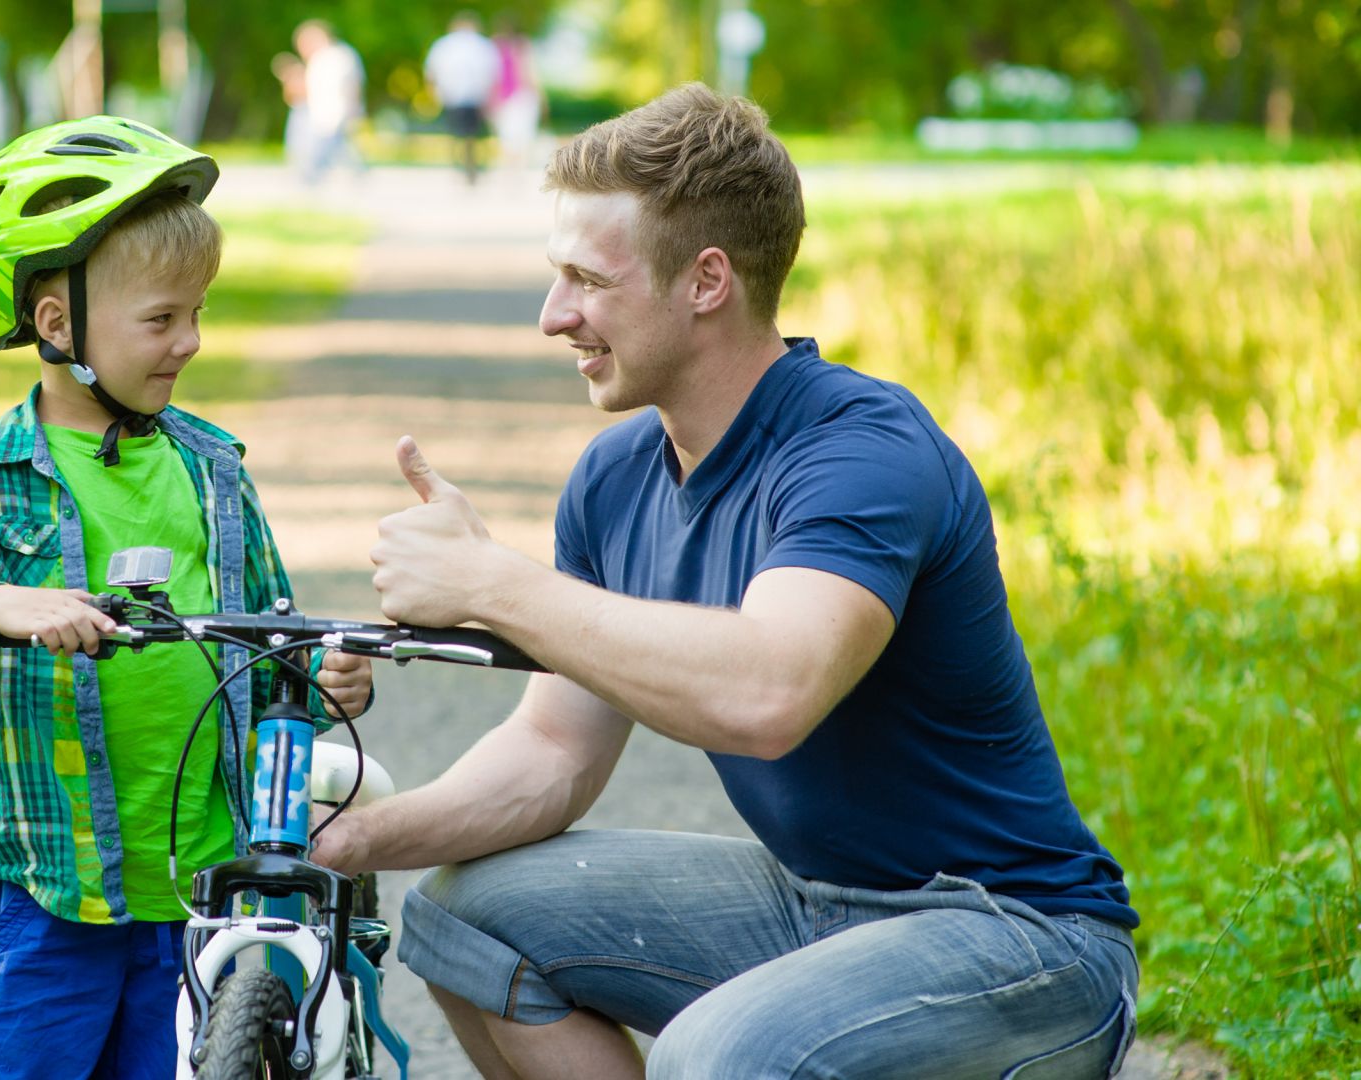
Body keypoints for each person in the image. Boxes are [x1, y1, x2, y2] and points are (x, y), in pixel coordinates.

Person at [315, 85, 1139, 1078]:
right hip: (814, 903)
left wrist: (495, 584)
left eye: (587, 280)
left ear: (707, 281)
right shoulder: (616, 481)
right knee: (466, 922)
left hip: (1019, 939)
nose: (552, 316)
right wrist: (355, 840)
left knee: (713, 1056)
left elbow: (768, 693)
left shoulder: (861, 451)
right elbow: (551, 751)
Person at [0, 117, 374, 1080]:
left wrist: (326, 676)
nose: (189, 342)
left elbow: (273, 652)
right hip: (54, 896)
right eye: (161, 319)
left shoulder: (212, 469)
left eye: (198, 313)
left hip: (196, 894)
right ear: (58, 327)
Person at [424, 11, 501, 185]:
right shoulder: (482, 45)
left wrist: (435, 93)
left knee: (455, 134)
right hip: (474, 97)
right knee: (471, 136)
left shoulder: (444, 45)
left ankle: (458, 166)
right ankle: (469, 166)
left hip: (452, 96)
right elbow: (492, 74)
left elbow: (431, 72)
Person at [293, 19, 364, 185]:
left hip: (336, 112)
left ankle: (311, 179)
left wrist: (351, 109)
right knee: (338, 149)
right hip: (322, 113)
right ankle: (356, 173)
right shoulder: (321, 58)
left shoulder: (339, 56)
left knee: (324, 150)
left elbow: (352, 86)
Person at [488, 12, 545, 174]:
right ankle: (516, 170)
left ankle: (513, 170)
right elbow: (531, 73)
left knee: (510, 136)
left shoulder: (497, 45)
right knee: (518, 136)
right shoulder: (518, 45)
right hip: (518, 97)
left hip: (512, 97)